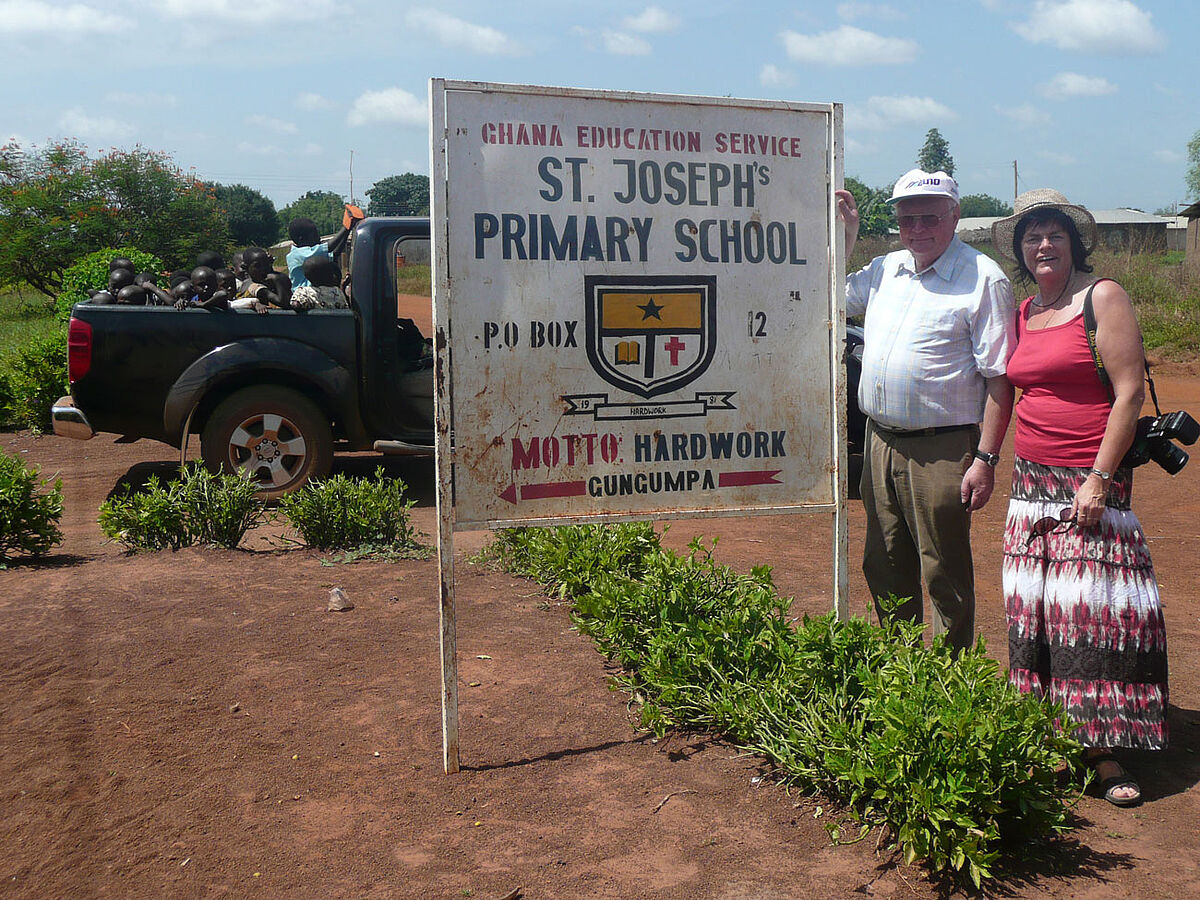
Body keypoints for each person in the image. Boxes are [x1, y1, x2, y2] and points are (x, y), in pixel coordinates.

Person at [992, 189, 1167, 807]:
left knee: (1093, 612)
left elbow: (1128, 393)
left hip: (1089, 477)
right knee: (1036, 610)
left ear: (1074, 243)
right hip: (1029, 482)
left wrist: (1097, 476)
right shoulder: (1022, 311)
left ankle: (1104, 748)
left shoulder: (1102, 298)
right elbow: (1008, 392)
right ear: (1019, 249)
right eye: (1032, 237)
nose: (1043, 245)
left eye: (1054, 235)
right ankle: (1048, 736)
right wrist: (988, 459)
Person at [834, 169, 1016, 652]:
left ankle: (947, 682)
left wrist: (986, 459)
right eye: (907, 218)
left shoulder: (982, 278)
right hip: (879, 440)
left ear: (954, 216)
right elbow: (828, 297)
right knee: (884, 559)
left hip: (943, 448)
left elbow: (1000, 379)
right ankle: (903, 671)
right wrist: (847, 238)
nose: (917, 228)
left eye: (929, 217)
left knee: (943, 570)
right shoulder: (887, 269)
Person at [286, 212, 358, 289]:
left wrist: (347, 231)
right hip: (305, 296)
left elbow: (335, 254)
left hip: (316, 293)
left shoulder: (310, 253)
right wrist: (345, 227)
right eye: (315, 235)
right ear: (302, 239)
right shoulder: (296, 254)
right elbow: (329, 247)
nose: (319, 237)